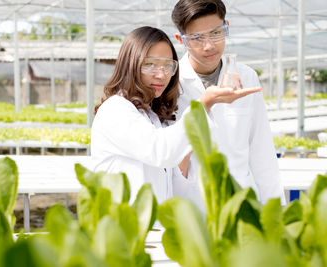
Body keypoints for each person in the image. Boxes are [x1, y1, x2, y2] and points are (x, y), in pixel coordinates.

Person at [171, 0, 285, 204]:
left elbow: (261, 150)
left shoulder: (246, 77)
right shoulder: (172, 84)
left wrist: (275, 209)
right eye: (197, 38)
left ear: (227, 27)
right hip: (193, 205)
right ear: (182, 40)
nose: (209, 46)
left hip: (242, 202)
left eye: (216, 33)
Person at [91, 26, 196, 205]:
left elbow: (172, 189)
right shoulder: (115, 110)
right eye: (150, 64)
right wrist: (203, 108)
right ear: (131, 64)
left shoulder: (153, 117)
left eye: (168, 65)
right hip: (124, 228)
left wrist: (185, 152)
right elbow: (160, 151)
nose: (161, 75)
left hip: (153, 228)